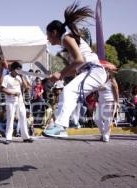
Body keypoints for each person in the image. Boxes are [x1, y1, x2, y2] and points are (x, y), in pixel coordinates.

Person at [43, 2, 108, 137]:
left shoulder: (66, 37)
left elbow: (80, 60)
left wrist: (60, 73)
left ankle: (60, 127)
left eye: (48, 35)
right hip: (91, 72)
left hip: (94, 71)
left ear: (54, 32)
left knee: (68, 91)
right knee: (67, 93)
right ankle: (60, 126)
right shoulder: (67, 41)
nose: (48, 39)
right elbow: (76, 69)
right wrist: (58, 76)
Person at [0, 61, 34, 144]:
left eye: (20, 70)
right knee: (10, 118)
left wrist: (22, 77)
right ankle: (8, 138)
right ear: (13, 69)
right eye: (18, 69)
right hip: (10, 101)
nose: (19, 71)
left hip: (20, 101)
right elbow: (2, 88)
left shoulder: (19, 77)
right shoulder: (6, 77)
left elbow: (27, 88)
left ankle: (26, 137)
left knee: (23, 118)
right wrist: (11, 93)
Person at [95, 70, 119, 142]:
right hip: (100, 103)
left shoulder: (112, 81)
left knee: (108, 120)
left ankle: (106, 136)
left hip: (109, 102)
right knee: (96, 119)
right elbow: (97, 93)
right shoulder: (99, 82)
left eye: (105, 74)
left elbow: (116, 93)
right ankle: (103, 133)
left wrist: (117, 103)